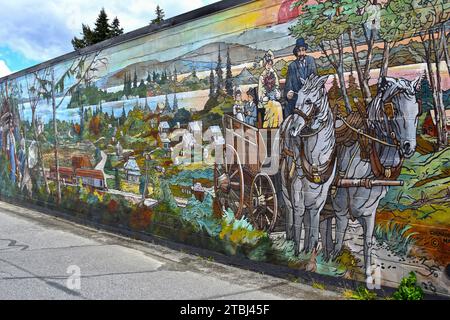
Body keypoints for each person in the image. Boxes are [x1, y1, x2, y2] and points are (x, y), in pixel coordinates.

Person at [284, 38, 317, 117]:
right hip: (298, 97)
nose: (301, 53)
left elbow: (315, 77)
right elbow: (288, 84)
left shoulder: (311, 61)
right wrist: (289, 92)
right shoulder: (292, 66)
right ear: (296, 52)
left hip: (310, 94)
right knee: (289, 108)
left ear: (305, 50)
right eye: (299, 51)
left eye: (303, 50)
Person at [258, 50, 283, 128]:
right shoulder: (262, 76)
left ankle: (278, 125)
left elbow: (277, 85)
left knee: (277, 105)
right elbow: (260, 90)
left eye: (270, 64)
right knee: (272, 105)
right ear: (265, 64)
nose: (269, 66)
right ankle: (270, 126)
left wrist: (276, 92)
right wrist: (263, 97)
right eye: (267, 64)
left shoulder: (274, 74)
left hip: (273, 96)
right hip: (265, 98)